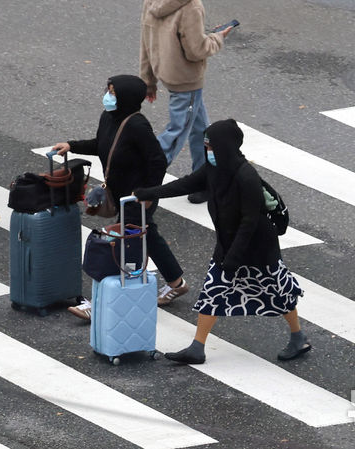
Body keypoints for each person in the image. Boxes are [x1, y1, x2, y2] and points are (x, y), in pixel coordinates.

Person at [134, 119, 311, 364]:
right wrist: (151, 192)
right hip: (229, 244)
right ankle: (197, 347)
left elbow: (249, 222)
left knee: (277, 292)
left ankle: (298, 338)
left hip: (258, 248)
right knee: (212, 291)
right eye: (206, 146)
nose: (208, 151)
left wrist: (233, 258)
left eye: (211, 146)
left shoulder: (246, 176)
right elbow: (186, 183)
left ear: (225, 146)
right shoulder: (213, 168)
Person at [53, 74, 190, 320]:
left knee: (124, 245)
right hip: (120, 193)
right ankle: (176, 282)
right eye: (108, 90)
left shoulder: (137, 125)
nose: (108, 95)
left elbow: (157, 160)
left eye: (113, 92)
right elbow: (101, 144)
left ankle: (100, 304)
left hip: (137, 196)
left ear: (126, 97)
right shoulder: (109, 117)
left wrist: (147, 193)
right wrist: (71, 145)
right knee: (147, 235)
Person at [140, 0, 233, 204]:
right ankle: (144, 179)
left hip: (165, 71)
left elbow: (146, 40)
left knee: (200, 128)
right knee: (177, 132)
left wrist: (148, 81)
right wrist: (217, 38)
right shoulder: (191, 6)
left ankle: (204, 179)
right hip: (186, 80)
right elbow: (196, 50)